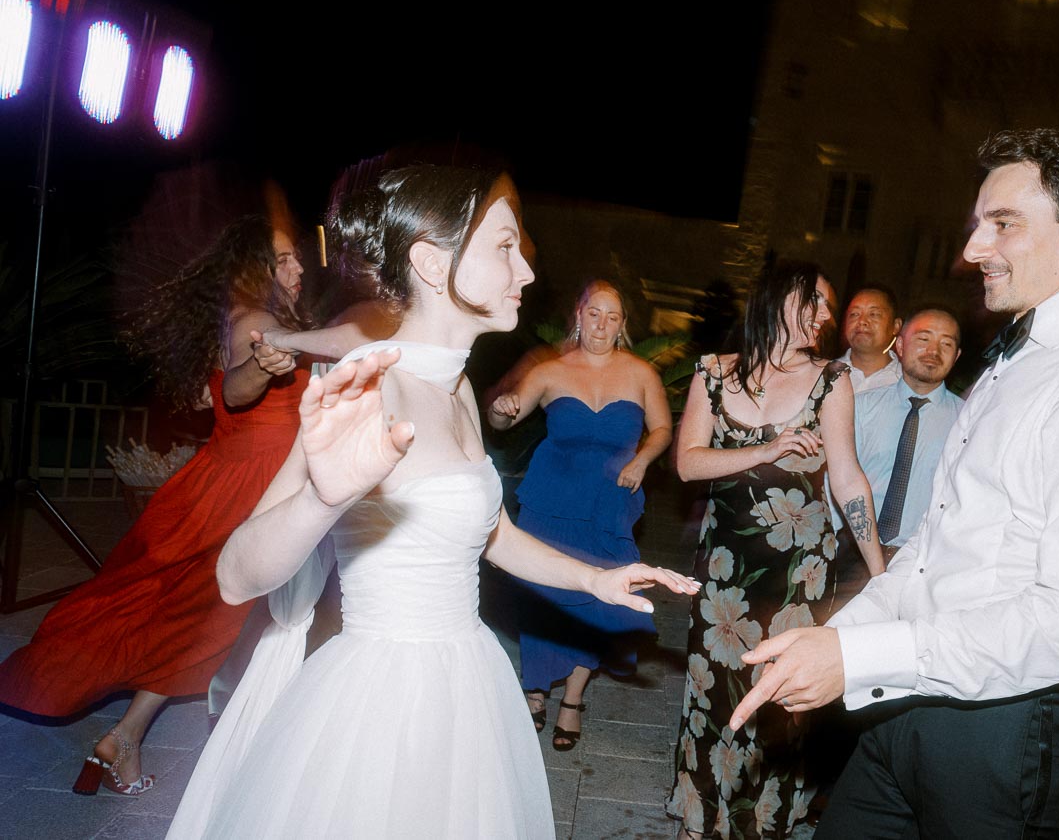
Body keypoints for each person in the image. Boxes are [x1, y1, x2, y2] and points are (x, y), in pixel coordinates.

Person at [165, 165, 698, 839]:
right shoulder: (369, 385)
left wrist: (596, 577)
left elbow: (491, 534)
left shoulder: (456, 388)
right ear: (430, 261)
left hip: (466, 677)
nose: (526, 272)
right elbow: (236, 575)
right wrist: (322, 501)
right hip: (381, 700)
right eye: (504, 246)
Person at [727, 129, 1059, 838]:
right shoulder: (1014, 362)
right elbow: (930, 552)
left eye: (1002, 224)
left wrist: (861, 656)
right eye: (979, 225)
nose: (974, 249)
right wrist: (836, 642)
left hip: (1013, 736)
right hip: (914, 702)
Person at [0, 216, 309, 797]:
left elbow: (209, 393)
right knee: (227, 617)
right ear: (251, 269)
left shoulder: (240, 318)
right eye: (284, 259)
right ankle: (257, 754)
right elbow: (237, 390)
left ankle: (129, 735)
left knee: (197, 617)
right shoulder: (262, 323)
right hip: (255, 487)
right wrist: (256, 370)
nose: (297, 269)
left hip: (238, 477)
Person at [666, 258, 885, 840]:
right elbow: (688, 462)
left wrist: (881, 574)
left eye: (828, 307)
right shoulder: (714, 373)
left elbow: (848, 480)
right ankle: (700, 821)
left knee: (783, 711)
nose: (826, 315)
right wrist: (762, 452)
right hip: (725, 575)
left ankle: (763, 827)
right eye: (816, 299)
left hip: (797, 576)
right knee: (711, 698)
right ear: (778, 298)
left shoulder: (831, 380)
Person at [487, 279, 673, 751]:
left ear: (623, 325)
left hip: (609, 503)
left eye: (613, 317)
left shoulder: (640, 373)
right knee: (543, 595)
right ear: (579, 313)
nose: (602, 324)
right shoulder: (551, 371)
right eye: (595, 313)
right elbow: (503, 417)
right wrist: (503, 410)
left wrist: (642, 459)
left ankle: (572, 698)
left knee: (600, 602)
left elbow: (663, 429)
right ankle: (534, 688)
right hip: (551, 501)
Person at [847, 306, 963, 565]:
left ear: (956, 356)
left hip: (921, 561)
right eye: (923, 339)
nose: (933, 351)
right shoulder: (859, 407)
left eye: (946, 344)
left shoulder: (967, 420)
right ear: (899, 345)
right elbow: (836, 479)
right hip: (852, 552)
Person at [837, 286, 903, 393]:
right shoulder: (822, 374)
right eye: (854, 314)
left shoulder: (907, 384)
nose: (862, 321)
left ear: (895, 326)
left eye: (874, 314)